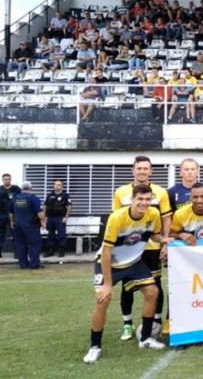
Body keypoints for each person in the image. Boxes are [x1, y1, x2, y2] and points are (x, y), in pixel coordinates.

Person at [83, 185, 169, 364]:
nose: (144, 203)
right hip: (109, 263)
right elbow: (106, 252)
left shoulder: (153, 214)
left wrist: (163, 239)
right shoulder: (117, 218)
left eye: (147, 200)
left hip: (134, 263)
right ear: (132, 199)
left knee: (152, 292)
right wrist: (107, 285)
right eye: (140, 199)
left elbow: (153, 236)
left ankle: (145, 339)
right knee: (103, 299)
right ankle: (95, 347)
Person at [112, 156, 172, 340]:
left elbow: (166, 218)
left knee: (155, 285)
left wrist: (164, 243)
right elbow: (116, 220)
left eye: (146, 169)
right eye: (139, 168)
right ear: (133, 170)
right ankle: (127, 324)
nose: (142, 172)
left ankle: (155, 320)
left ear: (151, 171)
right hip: (127, 248)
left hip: (151, 247)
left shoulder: (160, 192)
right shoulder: (121, 192)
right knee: (127, 285)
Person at [9, 182, 45, 269]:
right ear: (31, 188)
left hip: (18, 225)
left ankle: (23, 264)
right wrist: (43, 221)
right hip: (31, 225)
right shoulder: (33, 198)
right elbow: (40, 213)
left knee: (21, 245)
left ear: (21, 189)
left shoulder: (15, 198)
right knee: (34, 244)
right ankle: (34, 264)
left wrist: (11, 222)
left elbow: (11, 212)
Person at [44, 179, 72, 258]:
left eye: (59, 185)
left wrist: (66, 217)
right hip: (50, 218)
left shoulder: (65, 195)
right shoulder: (49, 195)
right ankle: (50, 251)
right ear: (53, 186)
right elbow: (45, 206)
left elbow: (69, 207)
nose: (57, 186)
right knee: (50, 235)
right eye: (55, 184)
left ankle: (61, 251)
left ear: (62, 186)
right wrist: (45, 217)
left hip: (60, 218)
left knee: (61, 235)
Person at [0, 173, 22, 257]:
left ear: (11, 179)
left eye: (8, 179)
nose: (7, 180)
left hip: (14, 214)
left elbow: (20, 199)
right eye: (5, 179)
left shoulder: (16, 189)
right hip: (2, 214)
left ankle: (17, 253)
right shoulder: (0, 189)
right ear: (2, 180)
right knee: (1, 234)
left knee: (15, 234)